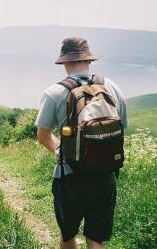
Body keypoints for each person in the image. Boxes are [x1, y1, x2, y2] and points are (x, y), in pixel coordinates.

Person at [36, 37, 128, 249]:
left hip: (70, 176)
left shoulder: (54, 93)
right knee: (96, 238)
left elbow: (43, 136)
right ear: (88, 60)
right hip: (106, 176)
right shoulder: (111, 87)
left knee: (68, 235)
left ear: (65, 62)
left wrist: (65, 150)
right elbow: (121, 126)